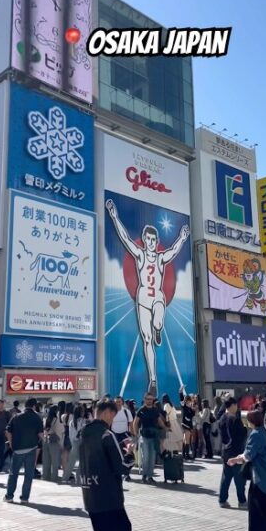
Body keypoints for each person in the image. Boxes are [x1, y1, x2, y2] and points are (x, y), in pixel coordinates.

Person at [105, 198, 190, 397]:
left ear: (156, 241)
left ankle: (158, 327)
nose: (151, 243)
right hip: (142, 298)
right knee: (147, 339)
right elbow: (125, 238)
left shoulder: (160, 258)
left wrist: (183, 237)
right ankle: (153, 379)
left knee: (158, 321)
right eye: (148, 240)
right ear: (144, 240)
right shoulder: (140, 255)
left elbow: (174, 251)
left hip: (157, 297)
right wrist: (114, 216)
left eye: (154, 240)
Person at [79, 400, 135, 531]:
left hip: (90, 496)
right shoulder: (106, 435)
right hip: (109, 498)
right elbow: (122, 467)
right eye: (113, 415)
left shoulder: (83, 434)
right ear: (107, 413)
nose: (113, 419)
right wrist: (130, 452)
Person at [4, 398, 45, 503]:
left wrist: (12, 444)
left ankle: (9, 497)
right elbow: (41, 434)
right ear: (35, 406)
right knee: (29, 475)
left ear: (25, 406)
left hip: (17, 450)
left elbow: (8, 431)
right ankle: (24, 498)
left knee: (13, 474)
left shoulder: (16, 417)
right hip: (32, 449)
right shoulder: (37, 418)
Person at [218, 397, 247, 508]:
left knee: (226, 477)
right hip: (235, 451)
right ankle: (242, 501)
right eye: (236, 405)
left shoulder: (222, 419)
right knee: (239, 478)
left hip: (225, 450)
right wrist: (245, 429)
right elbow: (240, 435)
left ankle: (222, 499)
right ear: (233, 405)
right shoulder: (234, 419)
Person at [131, 393, 166, 483]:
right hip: (144, 436)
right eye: (148, 399)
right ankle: (144, 475)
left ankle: (150, 476)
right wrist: (136, 435)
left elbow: (160, 421)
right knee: (146, 457)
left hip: (154, 437)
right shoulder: (141, 410)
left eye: (151, 399)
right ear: (145, 399)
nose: (149, 401)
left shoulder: (155, 410)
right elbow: (135, 423)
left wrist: (166, 428)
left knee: (152, 457)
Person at [62, 403, 84, 483]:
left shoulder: (71, 422)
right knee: (82, 461)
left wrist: (73, 443)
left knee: (71, 462)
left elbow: (71, 435)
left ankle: (65, 478)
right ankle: (78, 479)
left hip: (74, 443)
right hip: (81, 443)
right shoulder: (83, 421)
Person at [42, 405, 63, 482]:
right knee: (55, 460)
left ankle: (45, 476)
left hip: (45, 440)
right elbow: (59, 431)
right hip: (54, 440)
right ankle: (54, 477)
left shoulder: (45, 419)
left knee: (46, 460)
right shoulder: (56, 419)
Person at [0, 399, 12, 473]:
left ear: (3, 405)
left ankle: (1, 467)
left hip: (4, 436)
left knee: (2, 451)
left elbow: (10, 424)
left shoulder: (7, 413)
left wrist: (8, 433)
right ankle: (3, 462)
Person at [181, 395, 197, 461]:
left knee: (185, 439)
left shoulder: (189, 408)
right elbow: (181, 399)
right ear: (187, 401)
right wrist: (180, 392)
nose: (190, 402)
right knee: (187, 440)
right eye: (190, 401)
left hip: (188, 425)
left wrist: (193, 409)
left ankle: (184, 454)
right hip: (186, 425)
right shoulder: (184, 406)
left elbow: (192, 415)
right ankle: (186, 455)